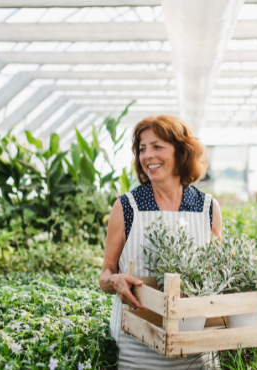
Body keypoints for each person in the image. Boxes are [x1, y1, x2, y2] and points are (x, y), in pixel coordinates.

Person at [99, 115, 222, 369]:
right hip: (136, 351)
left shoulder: (207, 208)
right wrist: (115, 281)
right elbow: (106, 273)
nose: (147, 156)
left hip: (195, 350)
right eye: (142, 149)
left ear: (181, 152)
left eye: (157, 146)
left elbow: (217, 272)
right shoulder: (127, 207)